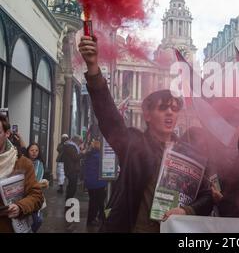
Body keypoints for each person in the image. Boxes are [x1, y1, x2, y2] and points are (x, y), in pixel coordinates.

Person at [78, 35, 212, 233]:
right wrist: (93, 69)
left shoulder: (188, 153)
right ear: (147, 115)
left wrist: (187, 210)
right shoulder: (134, 145)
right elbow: (109, 117)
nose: (170, 113)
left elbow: (206, 196)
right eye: (163, 108)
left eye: (174, 109)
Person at [0, 114, 44, 233]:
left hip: (9, 227)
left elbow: (37, 196)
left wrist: (20, 207)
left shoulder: (23, 163)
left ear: (7, 133)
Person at [84, 137, 107, 227]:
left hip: (90, 182)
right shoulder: (98, 156)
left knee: (98, 201)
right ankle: (91, 220)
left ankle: (101, 216)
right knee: (95, 202)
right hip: (97, 183)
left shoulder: (89, 155)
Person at [25, 143, 49, 232]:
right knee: (23, 220)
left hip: (35, 196)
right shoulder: (23, 162)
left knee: (38, 220)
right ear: (28, 151)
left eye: (36, 150)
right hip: (23, 196)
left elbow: (38, 180)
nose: (34, 152)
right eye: (32, 150)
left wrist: (43, 183)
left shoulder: (40, 164)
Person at [62, 135, 84, 203]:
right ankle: (68, 201)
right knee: (72, 187)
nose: (81, 143)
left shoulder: (72, 146)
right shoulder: (71, 146)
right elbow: (75, 157)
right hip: (71, 170)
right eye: (80, 141)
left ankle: (69, 201)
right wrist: (82, 153)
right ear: (77, 141)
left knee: (72, 186)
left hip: (72, 169)